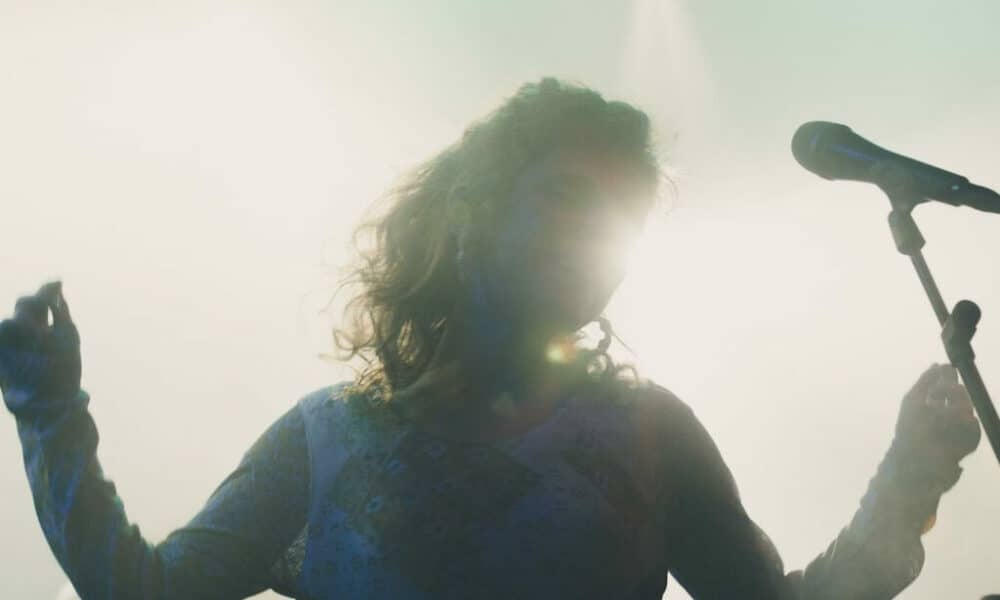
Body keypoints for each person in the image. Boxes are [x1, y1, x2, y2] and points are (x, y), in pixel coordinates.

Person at [0, 77, 982, 600]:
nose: (595, 241)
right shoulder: (327, 435)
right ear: (472, 213)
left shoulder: (651, 433)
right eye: (566, 200)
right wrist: (50, 416)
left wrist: (910, 477)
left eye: (621, 222)